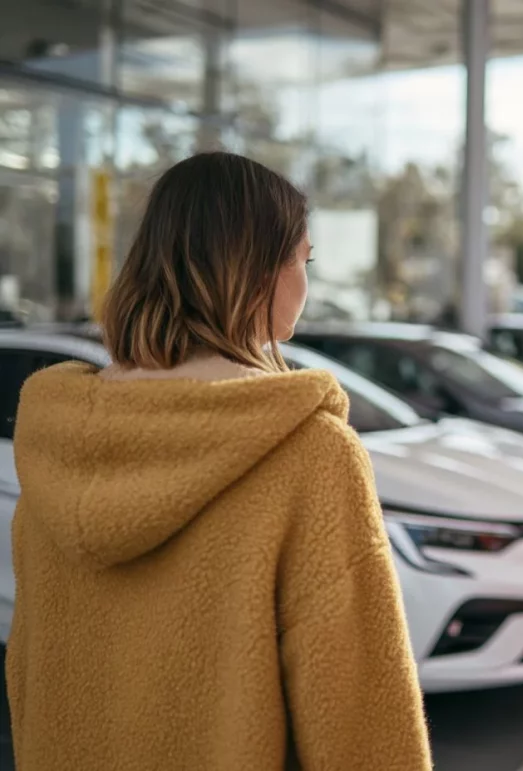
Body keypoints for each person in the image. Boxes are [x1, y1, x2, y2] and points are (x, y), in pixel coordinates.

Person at [7, 152, 432, 770]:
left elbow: (30, 678)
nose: (306, 283)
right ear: (259, 271)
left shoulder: (60, 442)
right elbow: (364, 726)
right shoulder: (308, 453)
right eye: (303, 260)